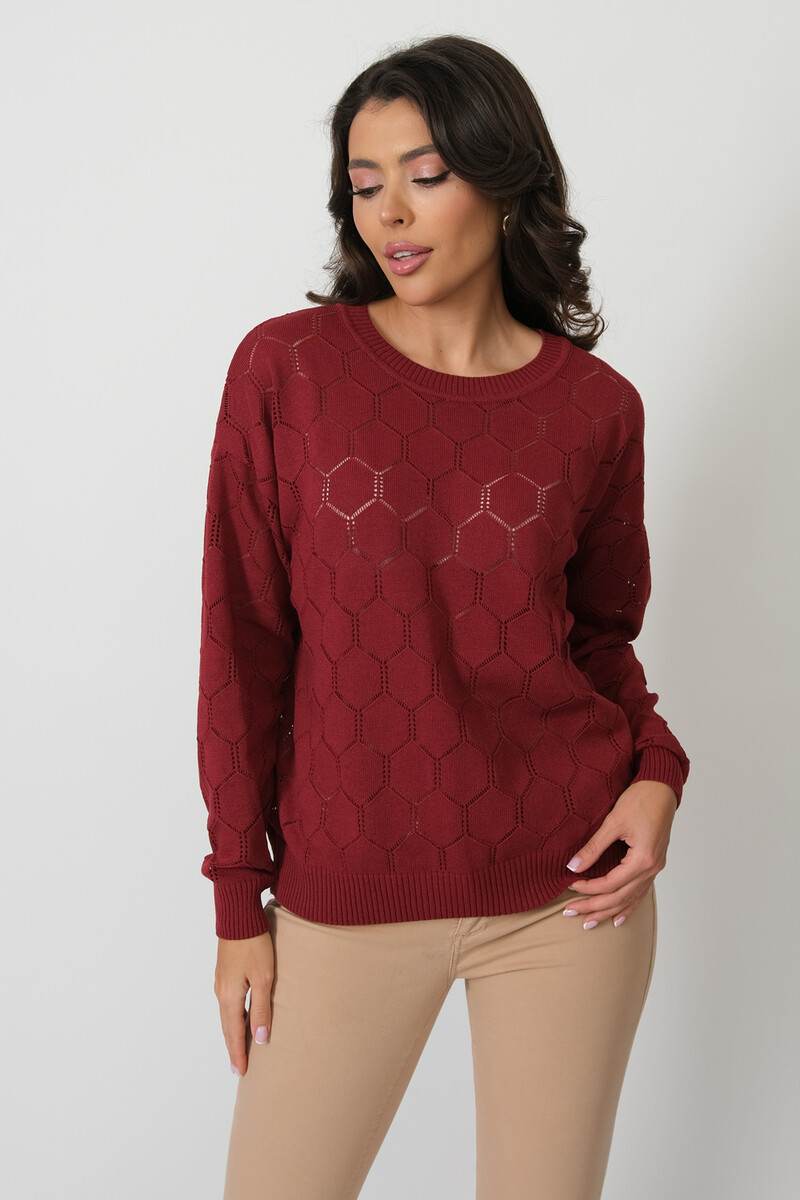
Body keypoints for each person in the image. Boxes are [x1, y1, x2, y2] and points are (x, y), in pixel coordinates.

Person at [196, 33, 690, 1200]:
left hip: (567, 895)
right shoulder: (287, 373)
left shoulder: (593, 410)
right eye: (364, 183)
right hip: (346, 889)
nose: (390, 213)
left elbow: (597, 642)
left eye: (424, 175)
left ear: (504, 181)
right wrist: (236, 901)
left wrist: (657, 778)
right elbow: (241, 641)